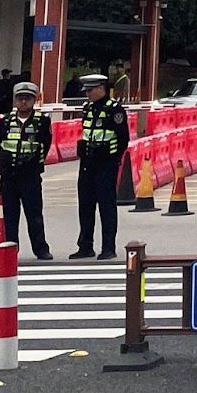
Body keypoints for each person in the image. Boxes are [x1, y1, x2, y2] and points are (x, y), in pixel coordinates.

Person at [72, 73, 129, 261]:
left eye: (90, 90)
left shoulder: (115, 109)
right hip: (88, 163)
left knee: (106, 206)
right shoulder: (87, 108)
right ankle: (85, 246)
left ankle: (108, 247)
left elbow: (123, 138)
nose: (87, 94)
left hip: (106, 164)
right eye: (86, 90)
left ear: (101, 88)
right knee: (85, 206)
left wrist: (114, 159)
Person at [0, 81, 52, 260]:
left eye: (27, 99)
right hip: (9, 176)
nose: (23, 102)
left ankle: (41, 249)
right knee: (10, 215)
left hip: (30, 176)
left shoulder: (42, 122)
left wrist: (31, 160)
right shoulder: (4, 122)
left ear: (34, 100)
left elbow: (46, 143)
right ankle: (12, 249)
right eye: (20, 99)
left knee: (34, 214)